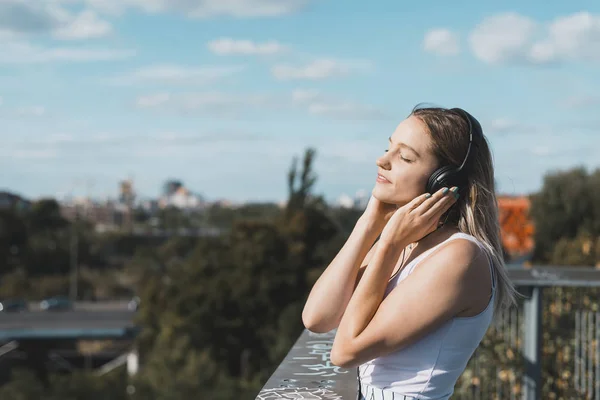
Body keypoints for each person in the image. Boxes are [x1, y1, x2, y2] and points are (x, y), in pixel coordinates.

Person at [302, 104, 518, 400]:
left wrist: (389, 244)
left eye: (404, 157)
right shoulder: (405, 244)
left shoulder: (461, 257)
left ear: (442, 182)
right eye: (388, 148)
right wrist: (368, 224)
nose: (382, 160)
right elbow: (317, 318)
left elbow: (344, 351)